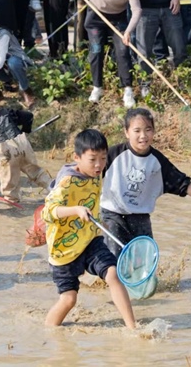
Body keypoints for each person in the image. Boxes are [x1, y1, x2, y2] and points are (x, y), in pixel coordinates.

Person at [100, 108, 191, 257]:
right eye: (137, 131)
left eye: (148, 130)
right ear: (127, 132)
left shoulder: (157, 161)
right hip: (112, 214)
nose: (143, 136)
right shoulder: (113, 154)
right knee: (113, 256)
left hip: (140, 216)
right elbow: (88, 174)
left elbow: (182, 183)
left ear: (154, 131)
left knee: (146, 259)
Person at [42, 129, 135, 329]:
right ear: (77, 157)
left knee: (113, 274)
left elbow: (91, 201)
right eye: (93, 159)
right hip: (64, 251)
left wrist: (101, 221)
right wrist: (75, 210)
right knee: (69, 299)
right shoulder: (67, 182)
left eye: (103, 158)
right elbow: (47, 212)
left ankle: (132, 328)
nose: (99, 164)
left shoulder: (96, 175)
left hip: (90, 241)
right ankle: (49, 331)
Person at [74, 0, 141, 108]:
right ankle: (97, 87)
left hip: (118, 19)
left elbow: (137, 10)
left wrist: (128, 31)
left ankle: (127, 89)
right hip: (96, 16)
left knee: (122, 51)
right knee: (96, 50)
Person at [0, 87, 49, 203]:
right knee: (37, 172)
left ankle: (12, 205)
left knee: (9, 186)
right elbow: (28, 116)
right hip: (22, 142)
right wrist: (26, 131)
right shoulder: (6, 111)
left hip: (6, 150)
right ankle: (56, 188)